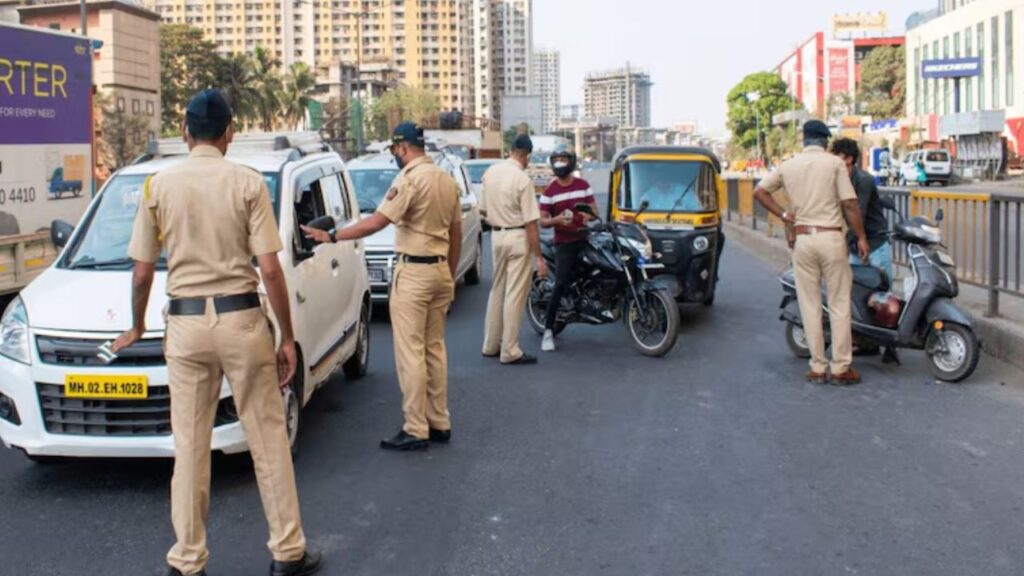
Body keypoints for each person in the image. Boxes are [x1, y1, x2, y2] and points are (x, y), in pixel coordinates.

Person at [113, 89, 321, 576]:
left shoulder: (158, 186)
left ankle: (188, 559)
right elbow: (271, 269)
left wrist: (137, 324)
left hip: (186, 326)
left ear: (184, 132)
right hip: (242, 319)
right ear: (229, 133)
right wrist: (286, 337)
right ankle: (288, 552)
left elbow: (141, 274)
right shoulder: (247, 182)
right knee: (267, 438)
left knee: (189, 445)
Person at [302, 122, 461, 452]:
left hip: (414, 274)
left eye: (395, 150)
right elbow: (456, 233)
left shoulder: (409, 179)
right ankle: (439, 421)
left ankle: (416, 427)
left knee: (411, 353)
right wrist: (449, 274)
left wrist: (331, 236)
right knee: (434, 350)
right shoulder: (446, 179)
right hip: (439, 272)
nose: (395, 156)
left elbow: (377, 222)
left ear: (403, 148)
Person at [753, 120, 870, 386]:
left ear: (804, 140)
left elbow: (759, 192)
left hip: (803, 239)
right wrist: (861, 236)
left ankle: (817, 366)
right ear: (825, 141)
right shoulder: (834, 164)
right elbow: (850, 204)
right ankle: (841, 367)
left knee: (810, 304)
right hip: (831, 238)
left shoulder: (789, 165)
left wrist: (784, 215)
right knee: (839, 303)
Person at [479, 134, 545, 365]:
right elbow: (531, 223)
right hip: (518, 237)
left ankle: (490, 344)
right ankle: (510, 350)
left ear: (511, 150)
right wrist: (539, 257)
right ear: (527, 156)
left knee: (497, 290)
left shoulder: (490, 172)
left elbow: (483, 210)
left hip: (496, 236)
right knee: (515, 294)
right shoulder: (522, 179)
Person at [538, 147, 598, 352]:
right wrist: (556, 220)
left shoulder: (583, 185)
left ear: (571, 162)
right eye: (557, 160)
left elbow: (594, 211)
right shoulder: (550, 191)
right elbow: (543, 221)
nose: (560, 163)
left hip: (585, 238)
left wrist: (587, 216)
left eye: (563, 159)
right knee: (561, 283)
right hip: (564, 242)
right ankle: (548, 332)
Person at [830, 138, 893, 280]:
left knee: (881, 290)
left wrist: (850, 241)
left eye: (838, 156)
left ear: (849, 159)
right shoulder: (839, 180)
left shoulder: (864, 180)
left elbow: (858, 213)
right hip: (856, 244)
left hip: (874, 245)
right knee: (856, 290)